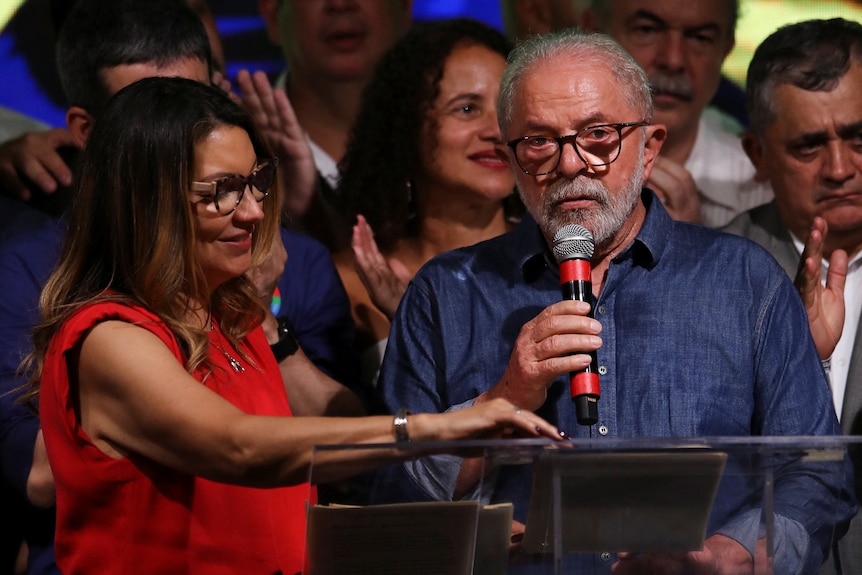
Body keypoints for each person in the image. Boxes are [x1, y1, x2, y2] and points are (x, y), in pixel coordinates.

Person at [21, 75, 562, 575]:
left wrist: (444, 535)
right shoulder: (110, 338)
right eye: (222, 191)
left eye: (256, 182)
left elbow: (280, 514)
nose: (254, 211)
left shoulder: (233, 319)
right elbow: (240, 448)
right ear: (148, 204)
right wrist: (432, 428)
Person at [374, 29, 855, 574]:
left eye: (598, 134)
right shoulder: (446, 293)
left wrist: (733, 554)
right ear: (509, 158)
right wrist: (503, 400)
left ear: (649, 149)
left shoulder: (743, 280)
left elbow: (818, 470)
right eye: (538, 141)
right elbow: (388, 500)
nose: (571, 164)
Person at [0, 0, 354, 572]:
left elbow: (342, 456)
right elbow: (42, 474)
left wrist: (264, 316)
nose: (183, 132)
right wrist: (437, 430)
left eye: (198, 100)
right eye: (150, 117)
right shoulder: (39, 281)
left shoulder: (294, 264)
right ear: (91, 134)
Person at [721, 18, 862, 575]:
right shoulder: (713, 275)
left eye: (860, 138)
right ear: (756, 154)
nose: (840, 168)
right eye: (809, 146)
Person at [333, 18, 519, 388]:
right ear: (405, 128)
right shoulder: (349, 285)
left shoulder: (560, 263)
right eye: (467, 109)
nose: (496, 130)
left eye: (507, 109)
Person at [582, 0, 772, 227]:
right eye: (647, 30)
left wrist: (695, 248)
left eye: (700, 38)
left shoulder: (766, 188)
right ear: (592, 32)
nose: (673, 60)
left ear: (727, 48)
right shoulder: (538, 167)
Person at [247, 0, 412, 251]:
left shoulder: (455, 140)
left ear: (404, 6)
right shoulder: (238, 148)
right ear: (271, 13)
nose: (340, 4)